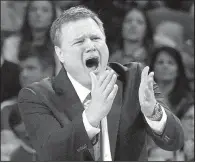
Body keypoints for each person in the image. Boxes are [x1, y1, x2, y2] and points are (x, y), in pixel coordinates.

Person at [18, 6, 184, 161]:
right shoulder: (37, 96)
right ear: (61, 53)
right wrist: (91, 118)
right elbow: (51, 153)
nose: (90, 46)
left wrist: (153, 113)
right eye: (79, 41)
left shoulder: (135, 79)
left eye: (96, 38)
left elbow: (175, 141)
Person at [1, 45, 56, 161]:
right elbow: (7, 153)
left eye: (30, 68)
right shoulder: (7, 109)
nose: (24, 74)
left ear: (48, 71)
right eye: (21, 70)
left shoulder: (69, 106)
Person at [147, 46, 193, 161]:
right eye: (160, 62)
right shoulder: (142, 99)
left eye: (170, 63)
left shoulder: (188, 102)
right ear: (152, 69)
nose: (165, 66)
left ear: (178, 70)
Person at [2, 0, 61, 74]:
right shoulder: (12, 43)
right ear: (27, 14)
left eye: (45, 10)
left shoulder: (60, 44)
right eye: (33, 10)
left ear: (53, 16)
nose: (38, 14)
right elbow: (9, 74)